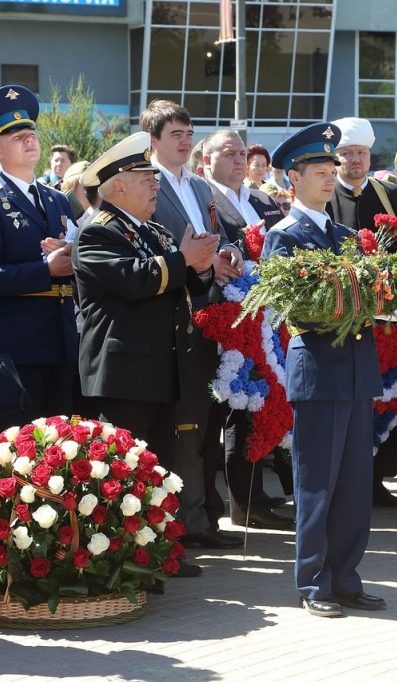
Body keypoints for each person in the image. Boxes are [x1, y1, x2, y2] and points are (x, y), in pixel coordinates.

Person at [73, 132, 219, 577]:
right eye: (144, 178)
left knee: (156, 471)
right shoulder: (97, 231)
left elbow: (185, 283)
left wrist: (204, 263)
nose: (155, 185)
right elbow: (135, 280)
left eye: (154, 178)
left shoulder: (152, 230)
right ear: (117, 186)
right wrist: (183, 260)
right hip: (123, 374)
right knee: (118, 474)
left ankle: (157, 553)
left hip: (161, 369)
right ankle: (116, 558)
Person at [262, 122, 385, 618]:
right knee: (317, 481)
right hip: (319, 368)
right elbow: (293, 308)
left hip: (355, 368)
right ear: (294, 177)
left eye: (333, 168)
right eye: (320, 169)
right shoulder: (284, 237)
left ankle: (346, 576)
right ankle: (313, 581)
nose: (331, 177)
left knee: (355, 482)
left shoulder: (343, 235)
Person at [142, 99, 244, 550]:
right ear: (153, 141)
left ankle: (203, 514)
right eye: (175, 135)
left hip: (209, 311)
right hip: (170, 316)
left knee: (204, 424)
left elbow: (223, 236)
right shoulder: (144, 184)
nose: (184, 142)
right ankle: (183, 521)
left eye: (188, 134)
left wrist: (229, 256)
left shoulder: (203, 188)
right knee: (180, 428)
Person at [0, 85, 79, 429]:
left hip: (63, 338)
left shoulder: (57, 199)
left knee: (63, 445)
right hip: (19, 345)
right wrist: (46, 269)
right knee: (20, 447)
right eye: (16, 137)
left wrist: (73, 256)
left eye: (31, 133)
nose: (28, 140)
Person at [202, 129, 290, 529]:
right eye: (228, 153)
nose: (239, 160)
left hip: (266, 322)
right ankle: (230, 503)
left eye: (242, 153)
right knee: (226, 413)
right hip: (227, 321)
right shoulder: (204, 198)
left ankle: (253, 496)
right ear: (207, 160)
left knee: (256, 410)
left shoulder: (263, 200)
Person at [327, 117, 397, 507]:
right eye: (347, 154)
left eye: (361, 153)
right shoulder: (324, 192)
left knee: (384, 400)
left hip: (388, 318)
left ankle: (377, 478)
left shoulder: (391, 194)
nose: (354, 161)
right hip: (341, 317)